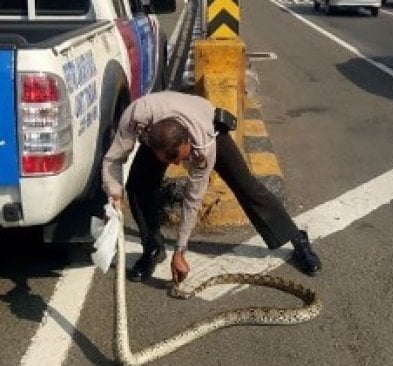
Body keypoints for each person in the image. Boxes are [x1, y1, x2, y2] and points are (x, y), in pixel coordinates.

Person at [102, 91, 322, 283]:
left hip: (205, 122)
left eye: (181, 159)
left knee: (246, 186)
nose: (179, 166)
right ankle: (153, 248)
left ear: (188, 142)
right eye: (172, 162)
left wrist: (181, 250)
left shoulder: (203, 143)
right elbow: (113, 158)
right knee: (138, 187)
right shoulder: (135, 117)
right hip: (160, 126)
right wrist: (114, 192)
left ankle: (297, 237)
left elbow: (192, 198)